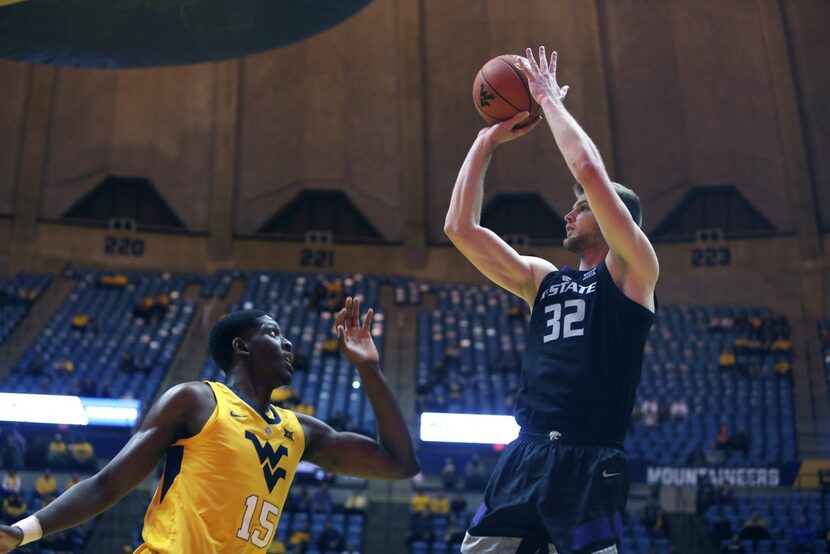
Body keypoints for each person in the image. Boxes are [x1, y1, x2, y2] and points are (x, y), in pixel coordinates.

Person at [444, 46, 658, 553]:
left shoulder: (634, 269)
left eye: (580, 209)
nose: (569, 215)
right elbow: (459, 227)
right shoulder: (545, 280)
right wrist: (485, 141)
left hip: (589, 460)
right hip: (526, 453)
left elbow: (587, 168)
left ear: (612, 221)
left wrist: (544, 97)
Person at [0, 297, 419, 553]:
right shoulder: (197, 400)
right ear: (242, 347)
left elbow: (400, 465)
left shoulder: (300, 430)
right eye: (273, 334)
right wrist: (24, 532)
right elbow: (108, 484)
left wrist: (369, 369)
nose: (287, 343)